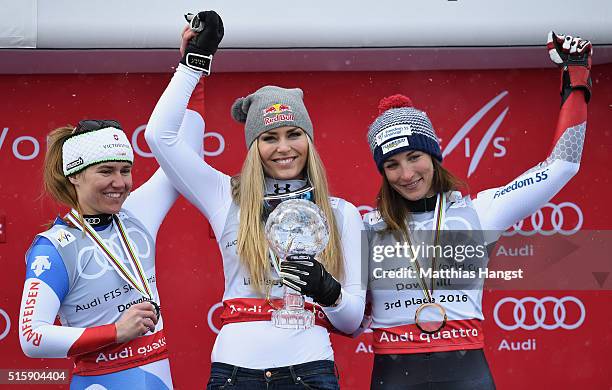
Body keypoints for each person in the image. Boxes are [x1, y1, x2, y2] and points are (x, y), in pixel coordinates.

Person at [145, 10, 365, 390]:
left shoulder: (342, 213)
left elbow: (352, 320)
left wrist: (327, 290)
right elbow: (159, 136)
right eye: (269, 137)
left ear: (309, 141)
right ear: (253, 146)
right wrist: (193, 65)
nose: (283, 148)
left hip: (309, 371)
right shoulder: (224, 196)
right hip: (234, 373)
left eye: (293, 134)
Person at [362, 32, 592, 389]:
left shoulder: (479, 212)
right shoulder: (367, 227)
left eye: (414, 157)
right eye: (391, 164)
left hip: (465, 374)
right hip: (394, 375)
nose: (406, 174)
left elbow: (562, 166)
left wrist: (576, 78)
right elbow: (349, 315)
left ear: (434, 156)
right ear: (382, 172)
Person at [18, 116, 203, 389]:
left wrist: (191, 75)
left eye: (125, 170)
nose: (119, 182)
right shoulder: (54, 246)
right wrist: (116, 332)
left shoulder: (138, 213)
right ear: (74, 175)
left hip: (158, 376)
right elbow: (31, 337)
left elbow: (187, 147)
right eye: (106, 171)